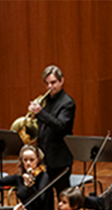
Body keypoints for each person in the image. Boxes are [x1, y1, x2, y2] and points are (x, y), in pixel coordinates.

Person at [33, 65, 76, 194]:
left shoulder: (67, 103)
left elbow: (60, 126)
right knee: (45, 196)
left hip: (59, 159)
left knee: (63, 195)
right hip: (44, 157)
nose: (49, 87)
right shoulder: (44, 101)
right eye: (47, 84)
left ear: (61, 81)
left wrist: (40, 113)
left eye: (53, 82)